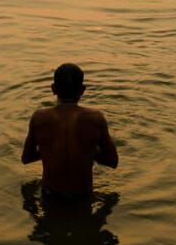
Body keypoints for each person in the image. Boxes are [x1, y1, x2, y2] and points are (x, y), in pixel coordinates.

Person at [21, 63, 118, 198]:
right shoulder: (96, 118)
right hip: (83, 196)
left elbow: (26, 158)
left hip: (50, 195)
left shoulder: (39, 117)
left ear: (53, 88)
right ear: (82, 90)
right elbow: (112, 161)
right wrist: (87, 149)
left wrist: (48, 148)